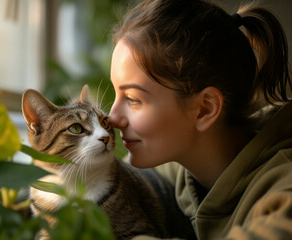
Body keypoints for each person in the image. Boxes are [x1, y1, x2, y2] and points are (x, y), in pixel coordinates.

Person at [108, 0, 292, 239]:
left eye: (133, 99)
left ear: (205, 109)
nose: (112, 117)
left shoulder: (283, 198)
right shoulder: (180, 164)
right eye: (116, 93)